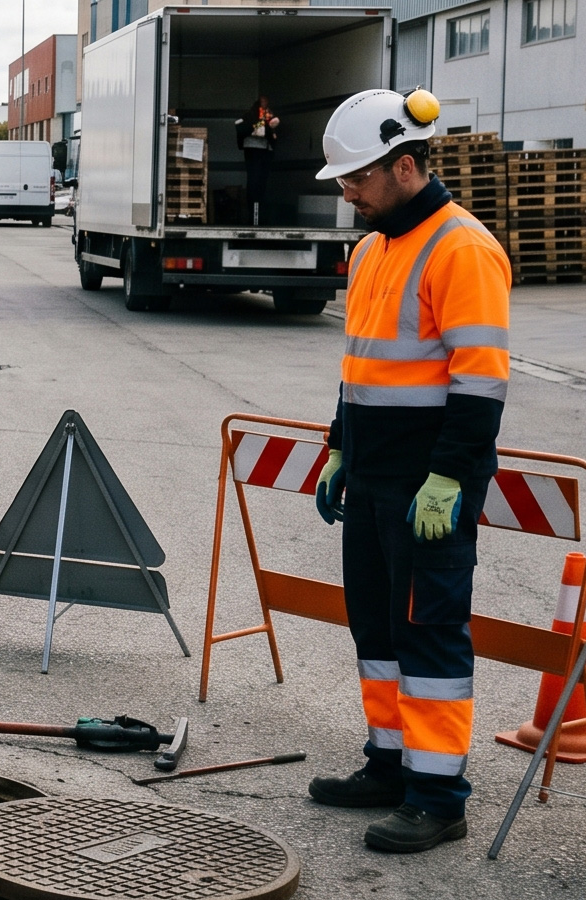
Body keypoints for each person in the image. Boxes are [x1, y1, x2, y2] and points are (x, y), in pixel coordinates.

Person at [310, 89, 510, 853]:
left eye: (356, 177)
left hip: (430, 484)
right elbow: (359, 367)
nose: (347, 191)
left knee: (428, 638)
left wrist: (451, 477)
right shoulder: (371, 250)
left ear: (404, 165)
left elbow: (480, 379)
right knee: (379, 631)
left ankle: (438, 795)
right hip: (373, 475)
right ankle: (389, 764)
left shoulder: (462, 248)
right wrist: (338, 447)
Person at [234, 95, 280, 225]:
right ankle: (253, 216)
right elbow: (244, 126)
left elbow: (273, 130)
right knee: (254, 182)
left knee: (261, 183)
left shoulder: (269, 114)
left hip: (265, 150)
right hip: (254, 150)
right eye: (263, 103)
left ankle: (259, 216)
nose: (265, 105)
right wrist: (261, 123)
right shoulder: (250, 115)